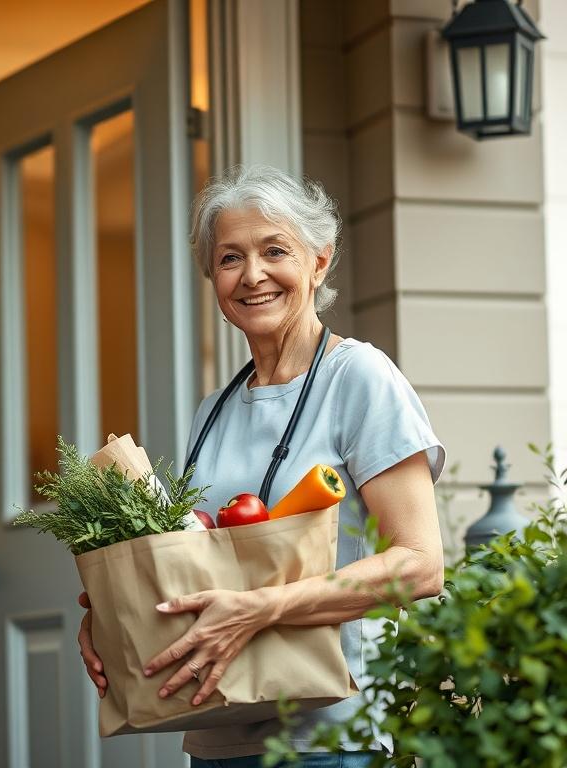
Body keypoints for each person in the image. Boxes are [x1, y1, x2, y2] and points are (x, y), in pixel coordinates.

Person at [78, 165, 445, 767]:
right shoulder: (214, 410)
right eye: (230, 258)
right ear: (213, 278)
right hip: (217, 730)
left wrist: (262, 609)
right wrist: (113, 613)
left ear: (319, 263)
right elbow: (195, 555)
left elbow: (420, 565)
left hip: (329, 738)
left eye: (275, 251)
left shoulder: (359, 378)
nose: (252, 275)